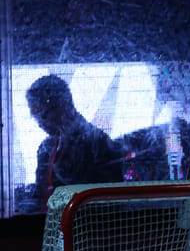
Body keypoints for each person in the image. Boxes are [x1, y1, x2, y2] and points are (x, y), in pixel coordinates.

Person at [20, 74, 124, 211]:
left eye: (42, 114)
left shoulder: (97, 144)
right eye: (34, 117)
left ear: (63, 106)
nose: (39, 123)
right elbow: (42, 195)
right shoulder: (47, 148)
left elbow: (110, 203)